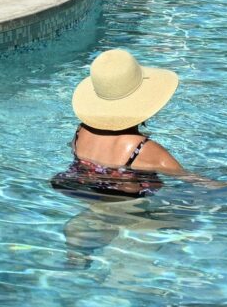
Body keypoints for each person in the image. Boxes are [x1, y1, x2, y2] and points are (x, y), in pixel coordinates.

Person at [53, 48, 185, 199]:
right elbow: (190, 179)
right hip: (129, 211)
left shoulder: (80, 132)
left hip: (85, 197)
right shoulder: (143, 149)